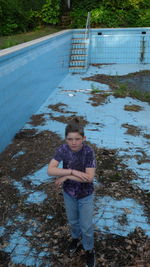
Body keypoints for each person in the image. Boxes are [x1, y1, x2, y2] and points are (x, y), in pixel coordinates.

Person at [47, 118, 96, 267]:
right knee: (73, 221)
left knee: (86, 225)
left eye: (77, 139)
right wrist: (72, 171)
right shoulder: (63, 149)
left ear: (84, 138)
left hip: (85, 194)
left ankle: (89, 249)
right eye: (70, 139)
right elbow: (50, 170)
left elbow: (88, 178)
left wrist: (67, 176)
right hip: (69, 192)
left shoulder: (88, 152)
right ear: (65, 139)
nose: (74, 142)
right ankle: (75, 239)